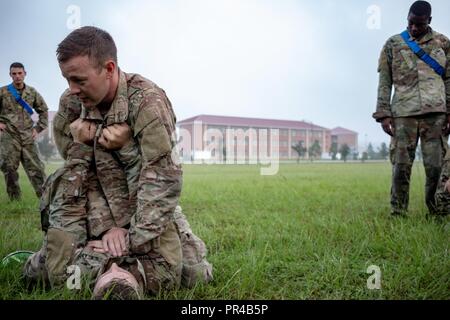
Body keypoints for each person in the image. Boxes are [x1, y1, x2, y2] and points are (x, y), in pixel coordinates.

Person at [23, 26, 212, 297]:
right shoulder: (71, 103)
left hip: (142, 199)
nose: (72, 90)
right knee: (48, 273)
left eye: (79, 80)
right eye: (67, 80)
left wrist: (130, 237)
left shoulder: (147, 102)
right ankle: (57, 256)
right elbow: (74, 173)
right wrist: (102, 230)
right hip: (92, 199)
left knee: (193, 276)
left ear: (109, 68)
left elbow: (162, 180)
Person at [372, 1, 450, 217]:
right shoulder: (393, 44)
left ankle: (437, 213)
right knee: (400, 166)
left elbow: (449, 79)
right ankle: (398, 212)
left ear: (429, 21)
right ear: (407, 18)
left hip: (436, 115)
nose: (414, 28)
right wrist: (383, 113)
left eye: (420, 24)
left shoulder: (443, 43)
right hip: (403, 115)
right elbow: (385, 81)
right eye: (411, 23)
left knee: (436, 168)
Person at [0, 62, 48, 200]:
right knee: (9, 169)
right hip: (9, 136)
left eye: (20, 73)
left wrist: (38, 128)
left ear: (25, 74)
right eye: (14, 74)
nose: (17, 76)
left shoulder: (32, 92)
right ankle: (15, 201)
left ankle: (44, 200)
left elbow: (43, 110)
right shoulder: (3, 92)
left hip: (28, 136)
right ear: (10, 75)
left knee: (37, 169)